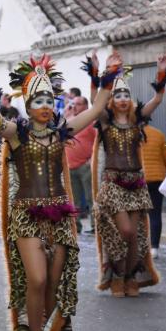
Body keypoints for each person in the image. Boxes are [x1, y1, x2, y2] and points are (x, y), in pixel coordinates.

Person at [0, 51, 122, 331]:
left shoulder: (61, 131)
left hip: (60, 216)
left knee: (54, 281)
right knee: (36, 279)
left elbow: (95, 109)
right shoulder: (17, 134)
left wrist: (108, 76)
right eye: (38, 101)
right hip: (26, 216)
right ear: (27, 105)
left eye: (49, 100)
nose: (45, 107)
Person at [91, 51, 166, 298]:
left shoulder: (138, 120)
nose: (123, 98)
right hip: (113, 184)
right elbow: (95, 100)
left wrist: (161, 73)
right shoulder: (106, 121)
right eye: (118, 94)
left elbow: (158, 99)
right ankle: (116, 275)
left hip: (136, 184)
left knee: (136, 238)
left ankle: (129, 278)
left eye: (126, 94)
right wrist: (102, 73)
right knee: (125, 231)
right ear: (112, 99)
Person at [65, 96, 97, 233]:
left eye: (78, 104)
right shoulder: (69, 120)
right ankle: (75, 226)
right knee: (73, 200)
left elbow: (98, 140)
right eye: (74, 104)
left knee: (91, 198)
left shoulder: (90, 121)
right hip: (69, 166)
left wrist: (92, 159)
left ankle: (95, 226)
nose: (75, 106)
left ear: (85, 106)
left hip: (85, 166)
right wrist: (67, 113)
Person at [141, 125, 166, 259]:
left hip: (137, 180)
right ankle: (154, 248)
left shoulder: (130, 134)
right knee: (155, 214)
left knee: (138, 215)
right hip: (157, 179)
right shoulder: (158, 134)